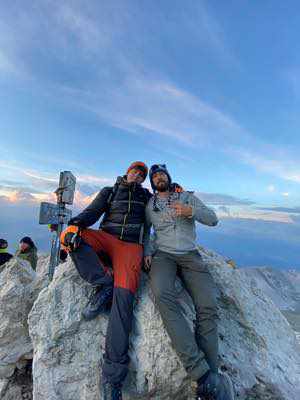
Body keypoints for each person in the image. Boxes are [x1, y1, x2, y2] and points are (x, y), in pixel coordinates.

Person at [60, 161, 151, 400]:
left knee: (123, 306)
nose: (138, 175)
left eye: (142, 174)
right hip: (106, 237)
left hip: (131, 247)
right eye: (135, 171)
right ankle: (104, 282)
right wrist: (73, 225)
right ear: (127, 172)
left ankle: (112, 379)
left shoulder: (147, 197)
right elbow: (92, 213)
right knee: (74, 237)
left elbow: (163, 205)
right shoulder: (109, 191)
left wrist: (177, 193)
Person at [144, 164, 235, 400]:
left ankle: (212, 379)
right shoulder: (149, 206)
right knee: (163, 296)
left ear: (168, 177)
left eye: (161, 173)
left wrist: (189, 211)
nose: (158, 177)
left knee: (207, 306)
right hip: (163, 255)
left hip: (190, 255)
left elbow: (213, 219)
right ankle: (202, 374)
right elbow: (145, 232)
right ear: (152, 183)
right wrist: (146, 250)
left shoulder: (187, 197)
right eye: (154, 176)